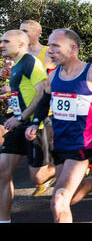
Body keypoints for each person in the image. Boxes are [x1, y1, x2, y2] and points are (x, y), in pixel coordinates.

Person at [24, 29, 92, 223]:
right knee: (69, 197)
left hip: (82, 147)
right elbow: (44, 103)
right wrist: (35, 124)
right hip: (60, 145)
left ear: (73, 48)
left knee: (59, 201)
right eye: (49, 45)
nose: (50, 50)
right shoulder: (53, 76)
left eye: (55, 45)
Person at [0, 30, 53, 223]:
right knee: (2, 173)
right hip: (18, 124)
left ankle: (73, 162)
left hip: (34, 124)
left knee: (38, 178)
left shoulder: (30, 62)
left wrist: (21, 118)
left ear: (22, 44)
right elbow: (22, 93)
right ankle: (4, 220)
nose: (1, 44)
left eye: (6, 41)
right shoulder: (15, 65)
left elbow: (41, 93)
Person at [19, 20, 57, 196]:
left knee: (38, 176)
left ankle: (77, 165)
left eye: (26, 31)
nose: (23, 34)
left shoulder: (46, 53)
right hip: (19, 114)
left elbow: (56, 77)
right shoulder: (18, 55)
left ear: (38, 32)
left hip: (45, 113)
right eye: (20, 31)